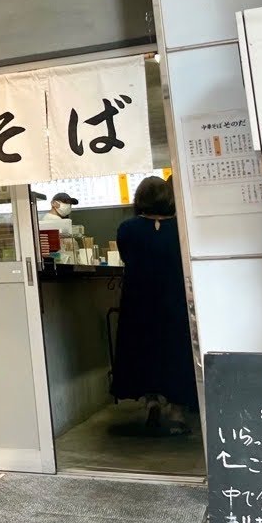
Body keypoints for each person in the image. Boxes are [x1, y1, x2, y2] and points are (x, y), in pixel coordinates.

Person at [110, 176, 198, 433]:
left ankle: (151, 402)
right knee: (176, 351)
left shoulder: (127, 229)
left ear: (139, 200)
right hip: (174, 301)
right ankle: (177, 412)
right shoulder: (181, 229)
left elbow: (126, 257)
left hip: (138, 302)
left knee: (143, 350)